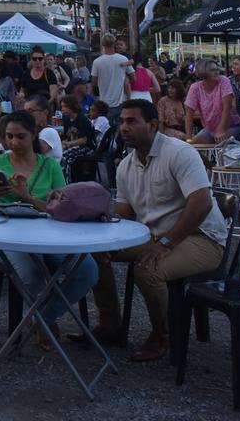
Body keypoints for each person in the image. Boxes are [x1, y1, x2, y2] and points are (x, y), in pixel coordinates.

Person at [87, 99, 227, 361]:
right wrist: (108, 233)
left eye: (132, 121)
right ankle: (110, 325)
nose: (124, 128)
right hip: (153, 236)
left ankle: (163, 334)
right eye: (121, 122)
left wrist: (165, 243)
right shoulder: (126, 165)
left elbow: (201, 203)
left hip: (201, 238)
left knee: (147, 269)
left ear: (153, 125)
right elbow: (126, 216)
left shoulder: (180, 152)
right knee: (95, 252)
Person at [0, 111, 96, 348]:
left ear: (33, 135)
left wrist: (28, 197)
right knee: (33, 274)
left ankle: (42, 317)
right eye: (9, 137)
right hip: (7, 237)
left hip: (49, 235)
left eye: (21, 136)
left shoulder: (50, 165)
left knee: (87, 269)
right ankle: (44, 321)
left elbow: (65, 208)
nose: (14, 143)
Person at [183, 59, 240, 143]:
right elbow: (189, 114)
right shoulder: (195, 88)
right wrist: (188, 139)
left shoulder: (223, 80)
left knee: (219, 140)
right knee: (193, 145)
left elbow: (227, 107)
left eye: (217, 69)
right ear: (203, 71)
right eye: (212, 70)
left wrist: (221, 130)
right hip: (210, 129)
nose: (217, 72)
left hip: (231, 126)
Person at [90, 35, 132, 121]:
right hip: (121, 101)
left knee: (106, 129)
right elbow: (133, 77)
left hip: (104, 102)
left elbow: (94, 83)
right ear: (114, 44)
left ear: (102, 44)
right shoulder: (123, 59)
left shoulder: (97, 62)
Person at [57, 94, 96, 179]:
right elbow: (65, 135)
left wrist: (67, 143)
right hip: (73, 146)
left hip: (87, 148)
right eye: (62, 106)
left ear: (72, 106)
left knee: (64, 155)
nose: (63, 109)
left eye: (65, 106)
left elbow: (84, 140)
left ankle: (67, 181)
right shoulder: (66, 119)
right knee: (58, 152)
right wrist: (62, 142)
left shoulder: (82, 119)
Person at [21, 95, 63, 160]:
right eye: (25, 112)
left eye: (30, 111)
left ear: (45, 113)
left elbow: (31, 153)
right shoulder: (34, 132)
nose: (26, 115)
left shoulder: (49, 132)